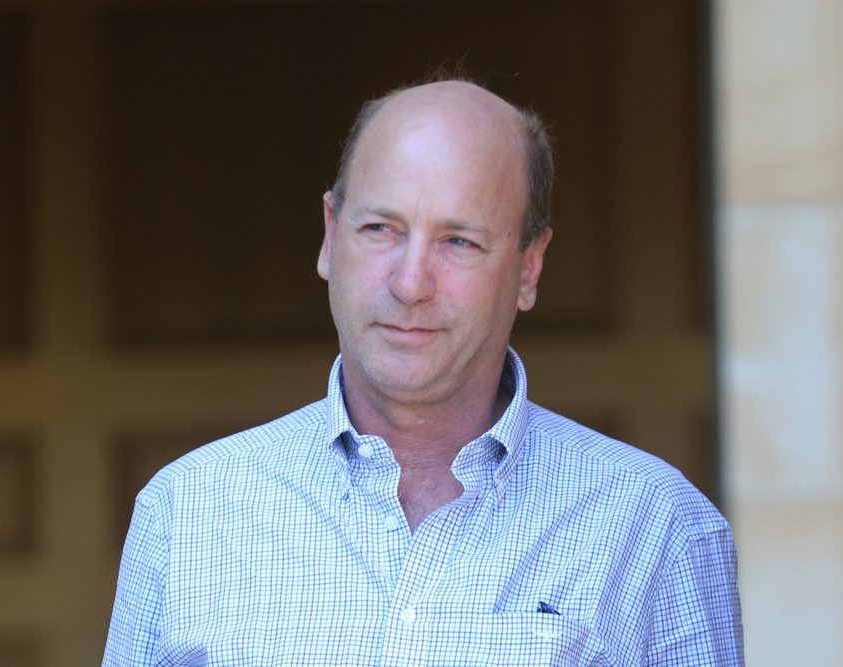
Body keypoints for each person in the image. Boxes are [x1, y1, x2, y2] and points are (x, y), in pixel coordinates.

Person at [103, 78, 743, 666]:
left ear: (528, 266)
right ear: (330, 236)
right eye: (380, 228)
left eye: (458, 241)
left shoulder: (659, 529)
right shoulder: (186, 512)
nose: (410, 283)